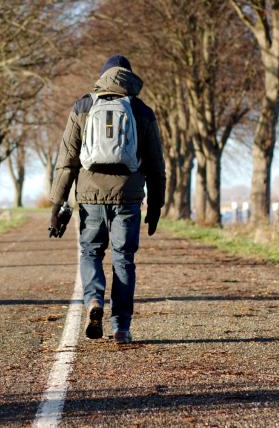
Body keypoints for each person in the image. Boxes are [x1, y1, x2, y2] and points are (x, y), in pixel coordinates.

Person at [48, 55, 166, 345]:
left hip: (90, 195)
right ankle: (122, 327)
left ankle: (93, 302)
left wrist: (57, 203)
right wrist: (157, 205)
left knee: (91, 253)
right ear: (129, 77)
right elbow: (155, 164)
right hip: (128, 195)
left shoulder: (83, 106)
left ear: (102, 77)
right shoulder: (141, 110)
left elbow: (67, 159)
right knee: (124, 259)